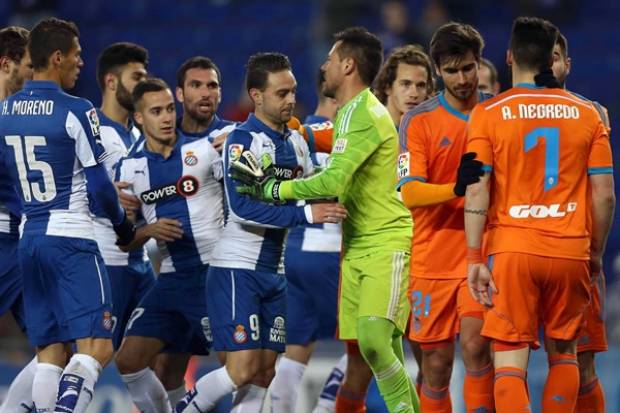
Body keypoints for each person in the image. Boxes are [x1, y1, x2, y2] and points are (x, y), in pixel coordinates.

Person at [230, 27, 418, 413]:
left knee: (373, 342)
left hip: (385, 243)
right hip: (357, 246)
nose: (324, 66)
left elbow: (333, 179)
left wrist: (272, 190)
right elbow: (329, 139)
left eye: (330, 59)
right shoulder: (351, 113)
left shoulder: (364, 111)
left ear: (348, 65)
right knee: (375, 346)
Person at [175, 52, 346, 413]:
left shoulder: (298, 142)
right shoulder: (242, 140)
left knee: (265, 373)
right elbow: (243, 207)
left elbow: (314, 187)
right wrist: (307, 213)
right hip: (238, 268)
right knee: (241, 369)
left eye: (293, 92)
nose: (290, 100)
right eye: (281, 94)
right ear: (257, 96)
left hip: (276, 271)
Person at [466, 16, 615, 413]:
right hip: (570, 249)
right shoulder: (588, 114)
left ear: (510, 56)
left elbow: (476, 186)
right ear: (554, 58)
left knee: (510, 358)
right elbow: (605, 196)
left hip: (512, 249)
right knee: (565, 353)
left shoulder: (488, 113)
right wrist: (595, 251)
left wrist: (474, 257)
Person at [0, 17, 134, 413]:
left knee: (50, 351)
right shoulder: (77, 110)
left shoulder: (6, 112)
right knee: (98, 346)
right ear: (56, 57)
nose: (81, 62)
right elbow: (100, 188)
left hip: (29, 240)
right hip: (71, 237)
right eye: (76, 55)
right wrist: (123, 227)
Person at [397, 22, 494, 413]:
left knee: (476, 348)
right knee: (435, 368)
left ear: (479, 64)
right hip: (431, 260)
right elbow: (410, 192)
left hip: (481, 255)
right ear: (438, 70)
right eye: (452, 70)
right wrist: (454, 188)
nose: (462, 78)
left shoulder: (495, 113)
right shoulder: (418, 121)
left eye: (468, 68)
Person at [113, 77, 222, 413]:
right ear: (139, 118)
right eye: (156, 111)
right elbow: (126, 242)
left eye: (169, 110)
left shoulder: (203, 150)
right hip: (172, 279)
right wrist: (148, 231)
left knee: (242, 365)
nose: (165, 117)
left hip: (212, 275)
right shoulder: (129, 169)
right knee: (129, 360)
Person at [269, 70, 342, 413]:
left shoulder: (291, 136)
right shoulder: (349, 136)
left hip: (294, 253)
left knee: (295, 350)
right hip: (333, 255)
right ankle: (326, 407)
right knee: (372, 342)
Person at [552, 31, 610, 413]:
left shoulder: (592, 113)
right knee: (503, 362)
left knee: (582, 361)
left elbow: (603, 192)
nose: (549, 63)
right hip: (519, 252)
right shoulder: (500, 112)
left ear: (568, 64)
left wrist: (596, 252)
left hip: (576, 250)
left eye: (556, 56)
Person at [92, 41, 155, 355]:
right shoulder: (90, 133)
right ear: (111, 82)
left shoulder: (137, 135)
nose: (143, 85)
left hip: (140, 262)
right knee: (95, 355)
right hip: (108, 261)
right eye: (137, 77)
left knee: (157, 351)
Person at [0, 25, 36, 413]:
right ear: (6, 63)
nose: (34, 73)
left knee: (60, 345)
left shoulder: (22, 117)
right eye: (29, 65)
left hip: (23, 245)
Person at [175, 56, 235, 151]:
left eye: (212, 86)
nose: (206, 94)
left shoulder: (238, 134)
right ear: (180, 94)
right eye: (196, 85)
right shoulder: (162, 140)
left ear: (219, 95)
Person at [373, 44, 434, 126]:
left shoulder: (432, 131)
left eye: (420, 86)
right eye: (406, 84)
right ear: (388, 87)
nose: (414, 94)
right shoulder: (368, 128)